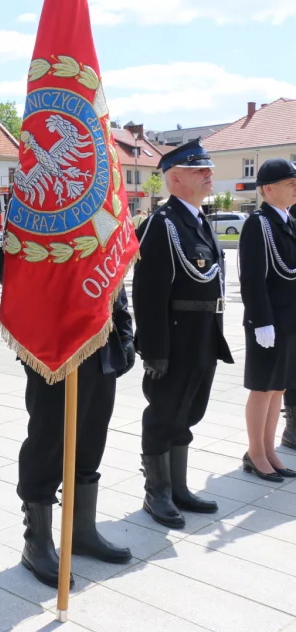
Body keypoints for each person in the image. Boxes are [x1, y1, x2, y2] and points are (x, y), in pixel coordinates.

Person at [0, 250, 134, 587]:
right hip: (55, 346)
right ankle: (36, 543)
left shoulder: (101, 202)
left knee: (91, 440)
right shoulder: (37, 201)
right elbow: (6, 268)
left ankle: (81, 532)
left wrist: (126, 330)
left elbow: (113, 268)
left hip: (101, 343)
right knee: (48, 442)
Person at [133, 139, 234, 529]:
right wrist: (154, 348)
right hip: (175, 339)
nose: (209, 174)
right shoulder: (162, 224)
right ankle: (156, 492)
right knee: (164, 413)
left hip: (203, 334)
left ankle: (178, 486)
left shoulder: (197, 220)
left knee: (189, 412)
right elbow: (148, 291)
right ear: (175, 178)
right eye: (199, 170)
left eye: (208, 168)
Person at [238, 158, 296, 481]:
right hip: (268, 324)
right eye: (290, 183)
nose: (295, 187)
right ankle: (255, 452)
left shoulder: (288, 221)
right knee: (262, 389)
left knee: (278, 389)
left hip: (288, 322)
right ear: (268, 189)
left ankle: (270, 449)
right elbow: (252, 279)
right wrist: (261, 320)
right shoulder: (258, 224)